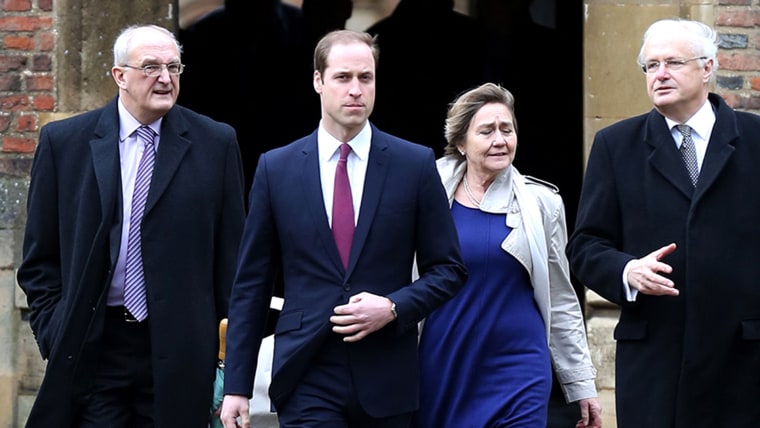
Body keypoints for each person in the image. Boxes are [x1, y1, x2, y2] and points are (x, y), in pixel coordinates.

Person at [219, 29, 467, 428]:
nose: (355, 90)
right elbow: (252, 283)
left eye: (365, 78)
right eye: (343, 77)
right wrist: (237, 387)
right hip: (306, 370)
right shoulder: (276, 168)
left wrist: (392, 307)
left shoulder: (414, 164)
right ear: (318, 81)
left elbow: (449, 269)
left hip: (387, 371)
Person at [16, 24, 246, 428]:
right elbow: (40, 258)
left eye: (173, 67)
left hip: (180, 352)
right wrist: (56, 332)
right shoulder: (64, 143)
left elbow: (232, 264)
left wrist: (226, 359)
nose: (164, 78)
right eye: (151, 67)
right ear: (119, 76)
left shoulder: (216, 143)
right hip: (95, 347)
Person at [566, 18, 760, 427]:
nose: (660, 74)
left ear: (708, 67)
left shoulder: (755, 139)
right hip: (656, 364)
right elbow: (585, 246)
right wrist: (627, 270)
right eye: (651, 66)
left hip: (742, 361)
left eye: (672, 62)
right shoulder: (616, 145)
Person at [416, 82, 602, 428]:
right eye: (486, 131)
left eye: (507, 129)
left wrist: (581, 384)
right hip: (445, 361)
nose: (500, 140)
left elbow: (561, 297)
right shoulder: (425, 192)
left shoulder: (543, 203)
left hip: (518, 367)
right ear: (460, 143)